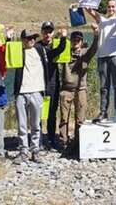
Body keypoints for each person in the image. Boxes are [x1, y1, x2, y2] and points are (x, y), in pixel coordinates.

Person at [12, 27, 67, 164]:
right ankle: (23, 151)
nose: (31, 40)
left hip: (37, 91)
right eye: (28, 38)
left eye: (33, 38)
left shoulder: (41, 50)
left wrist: (64, 38)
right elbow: (6, 54)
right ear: (23, 40)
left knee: (36, 124)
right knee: (22, 125)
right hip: (21, 92)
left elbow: (58, 51)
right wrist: (7, 38)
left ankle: (35, 150)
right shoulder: (18, 51)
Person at [58, 25, 99, 156]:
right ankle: (64, 142)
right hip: (66, 89)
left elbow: (94, 48)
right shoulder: (65, 53)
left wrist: (96, 34)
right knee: (64, 118)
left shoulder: (85, 54)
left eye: (78, 40)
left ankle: (78, 143)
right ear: (71, 41)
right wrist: (61, 37)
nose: (76, 42)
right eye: (74, 40)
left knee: (80, 119)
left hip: (81, 90)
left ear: (81, 42)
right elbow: (54, 49)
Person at [86, 0, 116, 123]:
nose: (111, 9)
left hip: (115, 56)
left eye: (113, 7)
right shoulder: (102, 20)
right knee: (104, 87)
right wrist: (83, 3)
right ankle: (103, 112)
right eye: (109, 7)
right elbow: (90, 11)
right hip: (102, 57)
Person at [36, 21, 68, 150]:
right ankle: (37, 140)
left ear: (53, 33)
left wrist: (64, 37)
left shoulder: (55, 44)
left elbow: (61, 49)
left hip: (53, 84)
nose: (47, 34)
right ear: (42, 33)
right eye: (45, 32)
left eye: (50, 32)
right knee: (38, 114)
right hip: (39, 85)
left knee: (51, 114)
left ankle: (51, 139)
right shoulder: (37, 46)